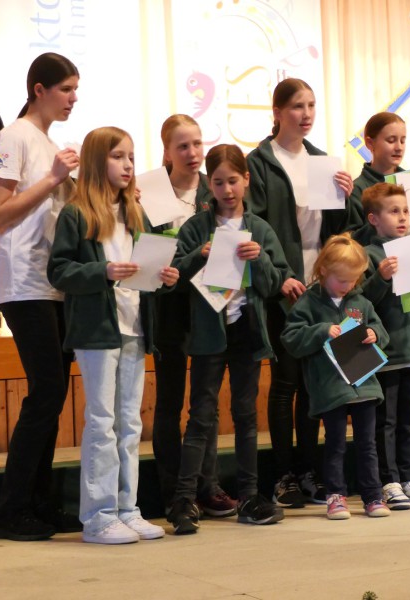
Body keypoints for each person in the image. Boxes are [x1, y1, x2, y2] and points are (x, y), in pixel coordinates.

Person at [48, 126, 177, 544]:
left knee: (129, 422)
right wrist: (102, 271)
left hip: (134, 326)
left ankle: (127, 509)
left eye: (131, 157)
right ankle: (98, 516)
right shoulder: (77, 214)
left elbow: (145, 272)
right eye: (118, 156)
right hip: (97, 329)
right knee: (102, 421)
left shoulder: (135, 213)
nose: (128, 165)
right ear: (95, 161)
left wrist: (164, 277)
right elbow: (59, 271)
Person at [0, 52, 81, 541]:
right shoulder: (14, 137)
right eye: (65, 88)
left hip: (53, 283)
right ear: (38, 89)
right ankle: (11, 508)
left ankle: (39, 503)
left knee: (53, 393)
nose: (73, 98)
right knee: (46, 390)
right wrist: (52, 180)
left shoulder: (49, 144)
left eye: (76, 89)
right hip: (23, 282)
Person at [168, 144, 290, 535]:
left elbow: (275, 283)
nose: (227, 190)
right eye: (218, 182)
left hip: (247, 331)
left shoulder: (260, 229)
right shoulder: (195, 227)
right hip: (208, 334)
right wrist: (198, 256)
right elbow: (171, 278)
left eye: (233, 181)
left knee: (245, 415)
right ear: (211, 186)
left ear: (246, 180)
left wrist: (260, 259)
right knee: (201, 415)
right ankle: (185, 499)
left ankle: (249, 496)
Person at [246, 78, 353, 507]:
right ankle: (284, 473)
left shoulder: (322, 161)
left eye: (311, 105)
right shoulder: (260, 162)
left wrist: (346, 198)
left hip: (319, 284)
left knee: (315, 384)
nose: (305, 114)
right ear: (276, 112)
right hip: (283, 287)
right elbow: (255, 228)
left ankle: (310, 470)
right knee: (286, 381)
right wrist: (280, 277)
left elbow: (337, 229)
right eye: (296, 106)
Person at [151, 114, 236, 517]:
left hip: (208, 303)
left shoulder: (212, 188)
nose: (192, 152)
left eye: (197, 144)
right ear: (167, 151)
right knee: (169, 401)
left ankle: (208, 486)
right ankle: (173, 490)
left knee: (206, 402)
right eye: (182, 146)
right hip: (168, 303)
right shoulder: (151, 191)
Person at [281, 234, 392, 520]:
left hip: (365, 385)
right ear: (323, 271)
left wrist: (374, 334)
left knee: (367, 444)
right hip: (331, 388)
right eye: (342, 280)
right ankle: (336, 496)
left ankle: (372, 496)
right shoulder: (308, 302)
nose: (348, 286)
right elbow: (291, 338)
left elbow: (381, 330)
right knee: (335, 444)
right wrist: (321, 331)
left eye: (353, 280)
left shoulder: (361, 302)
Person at [360, 182, 410, 508]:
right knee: (386, 422)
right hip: (386, 353)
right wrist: (380, 277)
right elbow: (360, 304)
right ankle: (388, 480)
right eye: (394, 211)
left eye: (406, 210)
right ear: (373, 219)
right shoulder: (367, 255)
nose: (403, 217)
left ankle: (409, 475)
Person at [347, 112, 410, 247]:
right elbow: (351, 243)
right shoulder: (358, 189)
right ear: (370, 143)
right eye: (391, 140)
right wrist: (381, 220)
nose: (399, 147)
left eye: (402, 141)